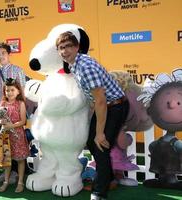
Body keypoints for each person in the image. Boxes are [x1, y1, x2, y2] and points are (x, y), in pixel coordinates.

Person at [56, 31, 129, 200]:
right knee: (92, 141)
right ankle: (109, 179)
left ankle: (99, 192)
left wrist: (100, 132)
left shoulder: (85, 67)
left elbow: (101, 101)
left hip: (115, 107)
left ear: (76, 47)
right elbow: (96, 100)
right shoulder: (75, 63)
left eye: (68, 47)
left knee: (100, 145)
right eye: (61, 48)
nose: (65, 51)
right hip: (106, 106)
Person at [0, 42, 26, 183]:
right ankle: (7, 173)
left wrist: (22, 111)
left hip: (16, 113)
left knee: (17, 143)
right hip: (1, 114)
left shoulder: (18, 70)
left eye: (3, 53)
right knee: (5, 144)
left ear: (9, 54)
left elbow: (22, 92)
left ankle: (17, 173)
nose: (0, 56)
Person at [0, 78, 30, 193]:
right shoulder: (2, 103)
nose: (9, 93)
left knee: (20, 160)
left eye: (12, 90)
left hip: (18, 136)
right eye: (7, 90)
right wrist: (0, 121)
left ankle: (20, 182)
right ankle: (6, 181)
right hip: (6, 136)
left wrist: (11, 126)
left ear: (18, 92)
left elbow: (22, 121)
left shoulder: (20, 104)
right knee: (7, 160)